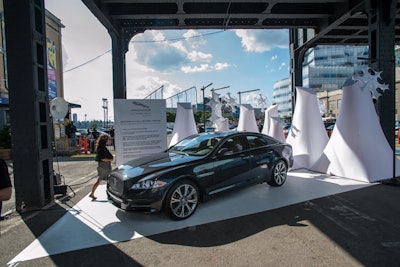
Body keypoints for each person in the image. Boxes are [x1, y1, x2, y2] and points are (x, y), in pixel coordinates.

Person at [89, 134, 113, 200]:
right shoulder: (102, 149)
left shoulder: (102, 148)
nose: (109, 141)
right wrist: (110, 159)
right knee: (106, 181)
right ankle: (109, 195)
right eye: (108, 139)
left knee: (100, 181)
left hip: (105, 166)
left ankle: (92, 193)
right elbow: (102, 159)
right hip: (104, 167)